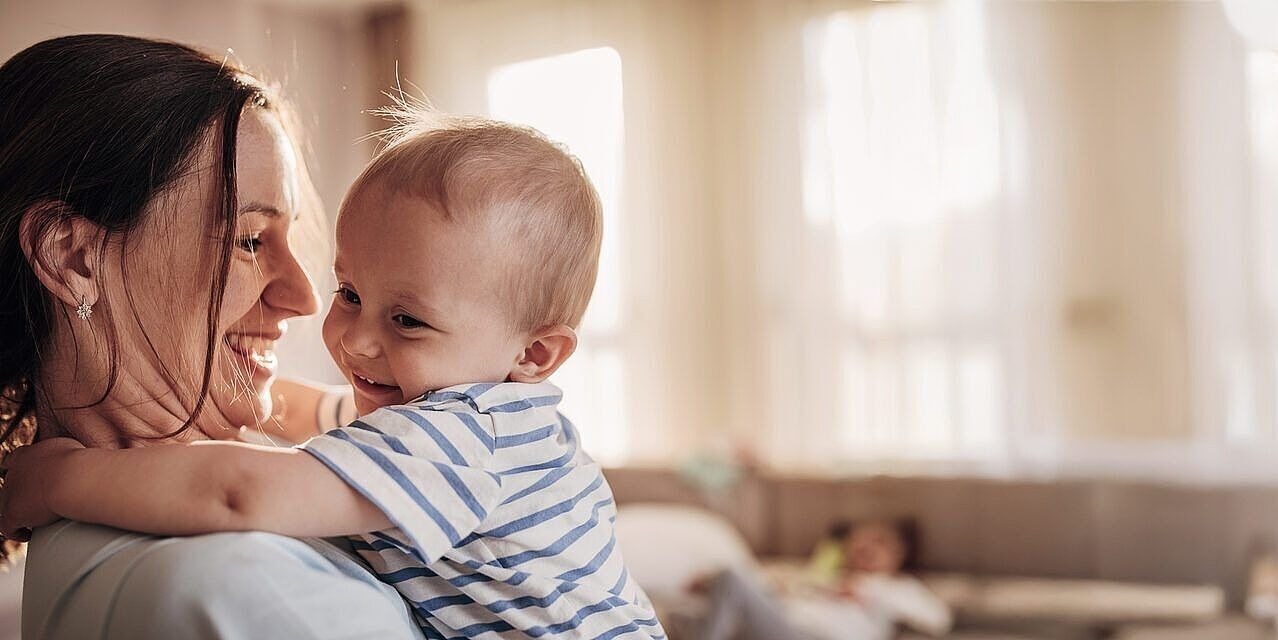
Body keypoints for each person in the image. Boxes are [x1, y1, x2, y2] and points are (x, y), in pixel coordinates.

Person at [0, 110, 666, 640]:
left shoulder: (460, 440)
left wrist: (59, 477)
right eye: (350, 291)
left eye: (407, 320)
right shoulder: (456, 417)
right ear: (74, 259)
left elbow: (236, 493)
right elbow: (302, 411)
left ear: (536, 355)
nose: (348, 333)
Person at [0, 34, 423, 639]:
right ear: (73, 258)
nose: (304, 298)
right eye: (249, 240)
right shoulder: (234, 589)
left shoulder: (76, 536)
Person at [699, 519, 950, 640]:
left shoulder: (899, 588)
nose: (867, 548)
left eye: (879, 543)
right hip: (787, 627)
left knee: (731, 577)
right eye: (862, 540)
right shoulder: (822, 576)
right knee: (730, 576)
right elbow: (768, 587)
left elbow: (938, 619)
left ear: (898, 556)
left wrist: (867, 594)